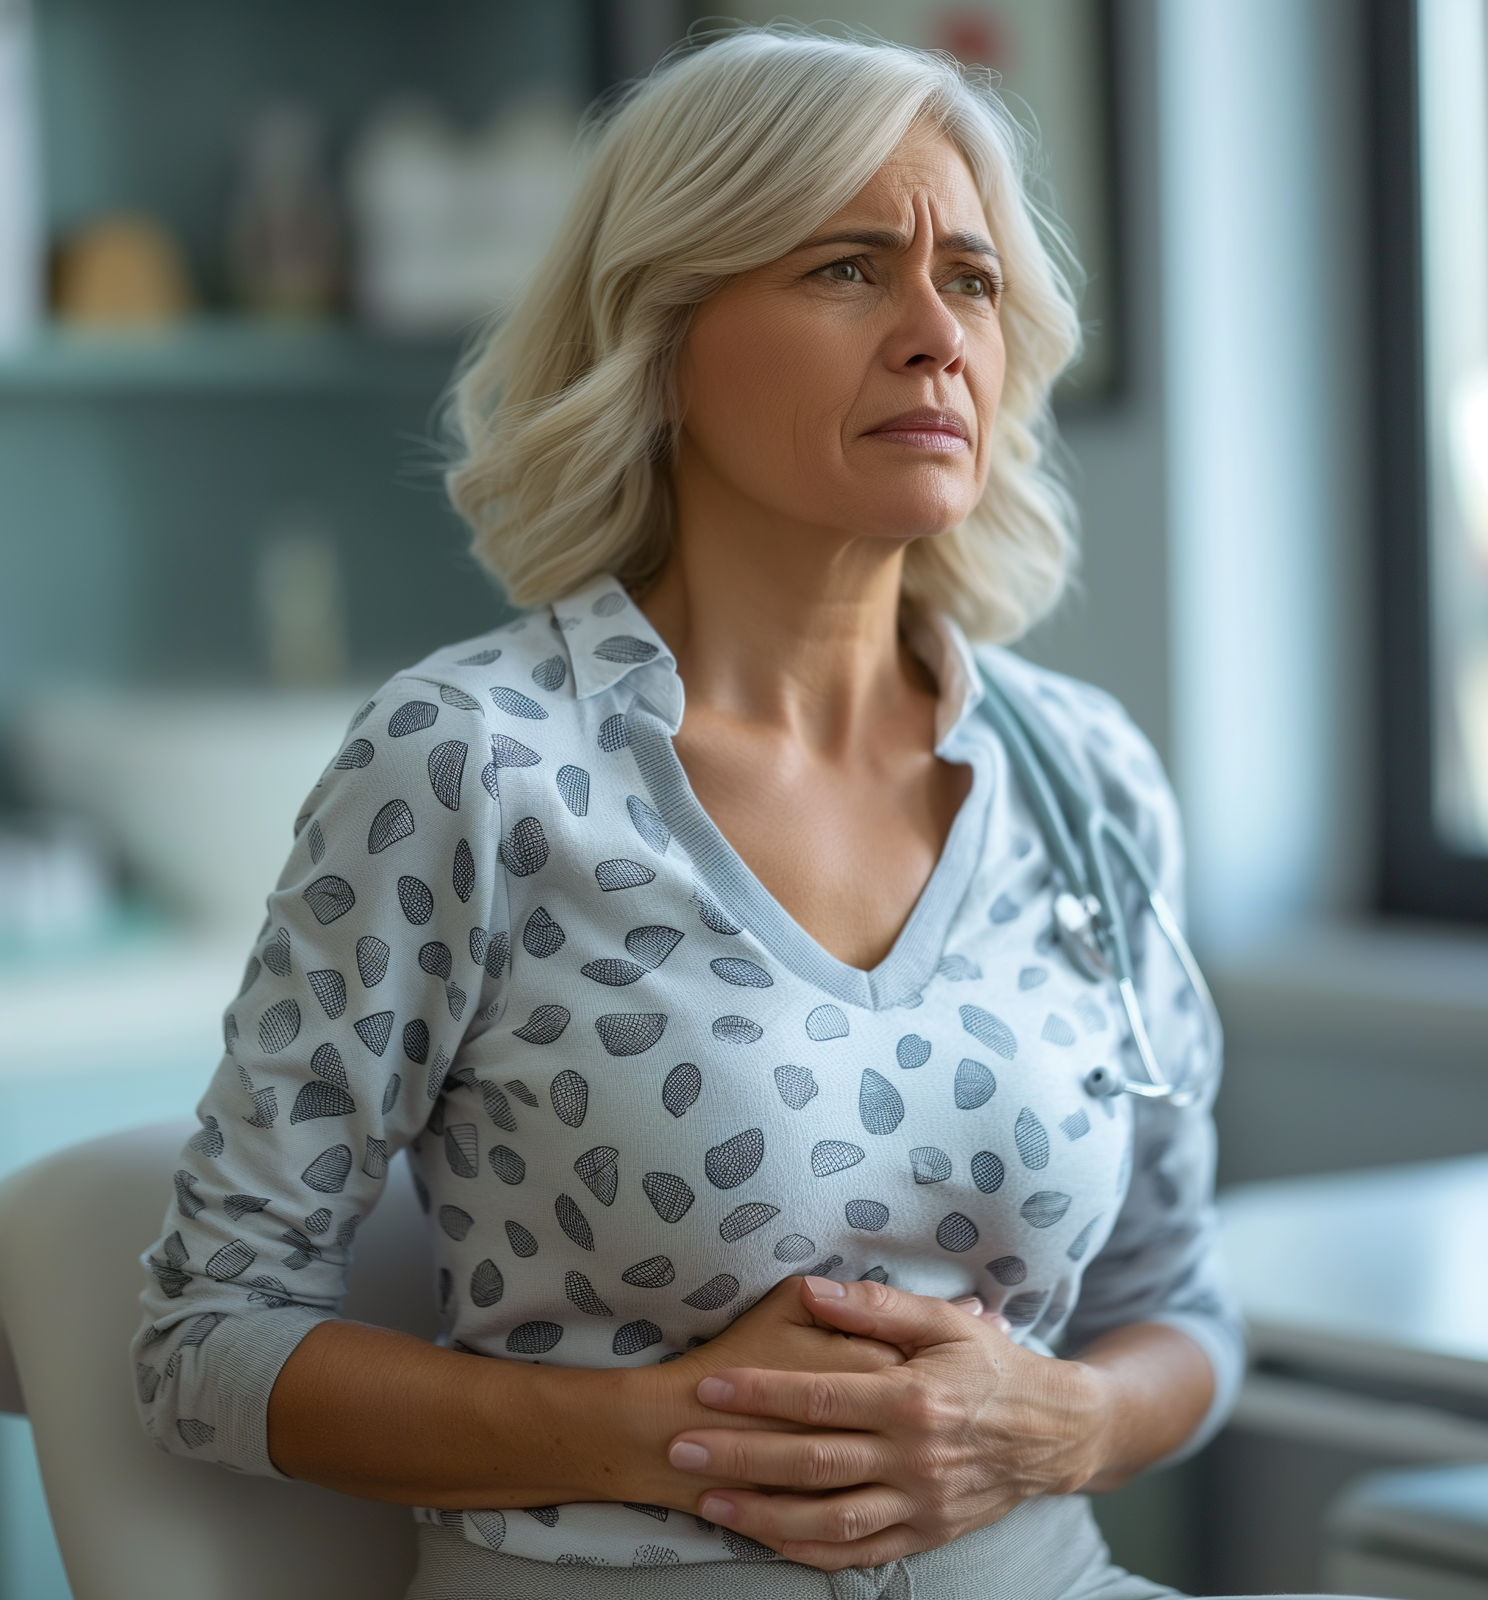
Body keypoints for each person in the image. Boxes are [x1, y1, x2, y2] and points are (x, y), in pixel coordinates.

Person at [134, 28, 1244, 1600]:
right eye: (851, 269)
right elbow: (202, 1341)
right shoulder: (468, 765)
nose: (937, 334)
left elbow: (1182, 1312)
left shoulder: (1093, 778)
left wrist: (1062, 1427)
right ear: (662, 337)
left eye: (975, 282)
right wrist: (667, 1434)